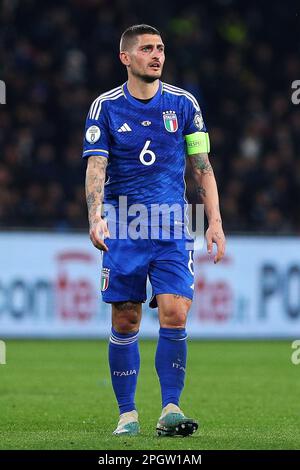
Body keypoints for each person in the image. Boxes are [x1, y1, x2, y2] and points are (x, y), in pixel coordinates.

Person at [82, 24, 225, 437]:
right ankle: (127, 414)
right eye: (147, 49)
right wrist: (96, 215)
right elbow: (96, 167)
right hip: (124, 225)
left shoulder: (184, 104)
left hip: (173, 226)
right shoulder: (104, 107)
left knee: (176, 311)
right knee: (126, 319)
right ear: (126, 58)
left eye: (160, 48)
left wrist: (214, 221)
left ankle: (170, 409)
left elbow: (203, 167)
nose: (157, 54)